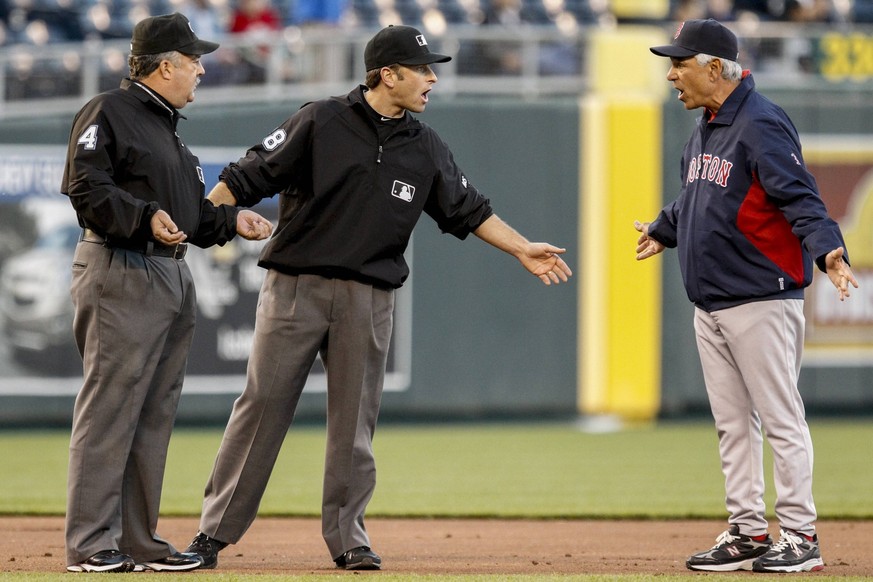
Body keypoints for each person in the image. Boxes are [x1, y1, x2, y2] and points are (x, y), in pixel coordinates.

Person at [182, 23, 573, 572]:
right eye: (423, 69)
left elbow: (470, 210)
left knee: (354, 424)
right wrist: (210, 221)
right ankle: (212, 536)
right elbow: (246, 175)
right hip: (296, 288)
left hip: (369, 296)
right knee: (261, 410)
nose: (432, 79)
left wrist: (521, 248)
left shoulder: (426, 145)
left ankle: (348, 538)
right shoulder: (319, 119)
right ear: (388, 74)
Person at [635, 18, 858, 574]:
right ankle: (748, 531)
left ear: (715, 68)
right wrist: (665, 228)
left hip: (761, 295)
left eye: (679, 63)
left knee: (780, 417)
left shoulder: (761, 122)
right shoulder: (709, 125)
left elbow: (800, 196)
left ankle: (801, 534)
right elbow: (699, 195)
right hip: (711, 299)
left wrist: (828, 249)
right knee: (733, 423)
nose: (671, 74)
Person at [61, 12, 273, 573]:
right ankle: (89, 543)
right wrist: (142, 216)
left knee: (153, 414)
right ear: (163, 66)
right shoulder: (109, 111)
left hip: (169, 273)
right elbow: (84, 185)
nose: (202, 69)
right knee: (110, 410)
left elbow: (188, 220)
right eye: (194, 60)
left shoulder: (165, 130)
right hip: (121, 267)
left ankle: (136, 540)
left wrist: (231, 222)